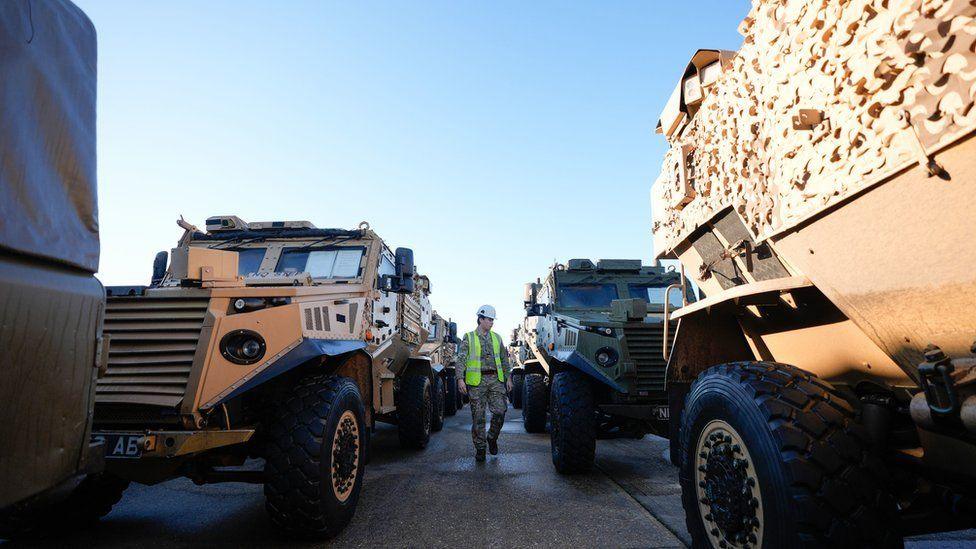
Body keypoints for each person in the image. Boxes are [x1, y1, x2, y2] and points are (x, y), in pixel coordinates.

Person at [456, 304, 512, 462]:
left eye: (492, 320)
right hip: (476, 382)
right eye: (489, 319)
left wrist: (508, 378)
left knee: (500, 411)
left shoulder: (497, 337)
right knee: (478, 418)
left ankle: (492, 437)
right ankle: (480, 449)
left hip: (495, 380)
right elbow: (461, 359)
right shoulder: (469, 337)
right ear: (480, 319)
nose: (491, 322)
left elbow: (504, 359)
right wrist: (460, 378)